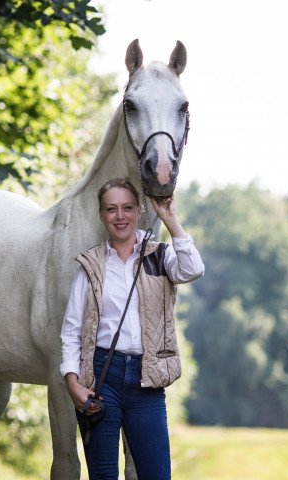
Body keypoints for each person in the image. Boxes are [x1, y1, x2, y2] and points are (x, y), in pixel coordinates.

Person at [60, 177, 205, 480]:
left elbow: (193, 269)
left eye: (127, 207)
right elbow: (71, 330)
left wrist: (169, 218)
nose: (120, 216)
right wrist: (72, 382)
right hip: (101, 378)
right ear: (102, 215)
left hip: (147, 381)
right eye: (111, 209)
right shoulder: (90, 265)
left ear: (139, 210)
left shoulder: (160, 256)